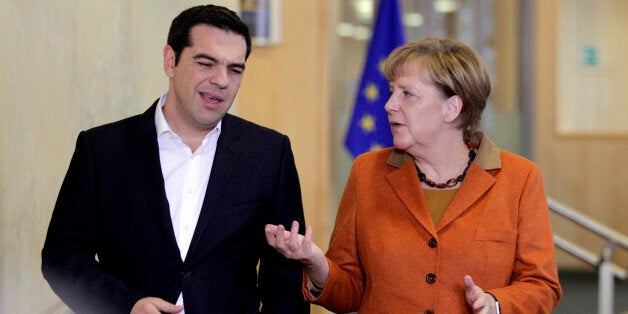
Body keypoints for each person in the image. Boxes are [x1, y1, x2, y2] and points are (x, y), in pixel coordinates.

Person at [42, 5, 309, 314]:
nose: (222, 80)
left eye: (235, 69)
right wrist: (126, 305)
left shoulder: (268, 153)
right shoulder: (102, 149)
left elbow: (286, 280)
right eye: (206, 63)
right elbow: (63, 257)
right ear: (171, 61)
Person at [265, 37, 562, 313]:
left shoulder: (520, 178)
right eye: (392, 91)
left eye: (407, 94)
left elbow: (542, 286)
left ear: (452, 108)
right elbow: (350, 292)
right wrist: (317, 263)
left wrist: (495, 304)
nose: (389, 105)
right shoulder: (367, 172)